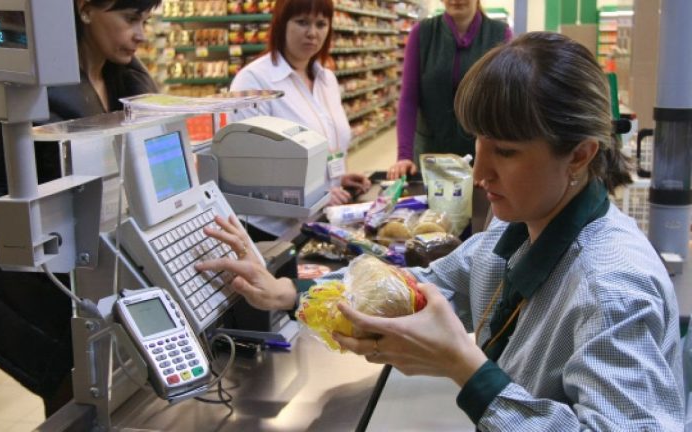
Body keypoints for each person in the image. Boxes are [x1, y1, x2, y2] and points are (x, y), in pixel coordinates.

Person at [197, 32, 685, 430]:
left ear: (579, 154)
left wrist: (466, 369)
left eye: (507, 152)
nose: (480, 173)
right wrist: (289, 292)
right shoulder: (519, 228)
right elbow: (424, 288)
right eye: (479, 142)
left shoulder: (610, 289)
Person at [0, 0, 160, 417]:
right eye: (130, 19)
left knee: (126, 407)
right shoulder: (30, 86)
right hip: (54, 297)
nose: (141, 34)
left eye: (145, 21)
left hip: (117, 279)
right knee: (74, 410)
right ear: (85, 10)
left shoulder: (132, 80)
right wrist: (56, 247)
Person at [227, 0, 371, 240]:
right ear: (281, 23)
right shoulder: (254, 82)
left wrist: (335, 178)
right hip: (273, 232)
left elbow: (321, 147)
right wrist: (315, 194)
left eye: (321, 24)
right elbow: (247, 170)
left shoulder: (327, 79)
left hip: (319, 221)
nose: (312, 33)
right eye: (302, 22)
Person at [387, 0, 511, 180]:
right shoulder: (422, 33)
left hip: (480, 158)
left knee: (477, 207)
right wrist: (404, 156)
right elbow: (409, 99)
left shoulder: (500, 34)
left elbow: (503, 104)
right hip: (430, 154)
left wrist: (502, 156)